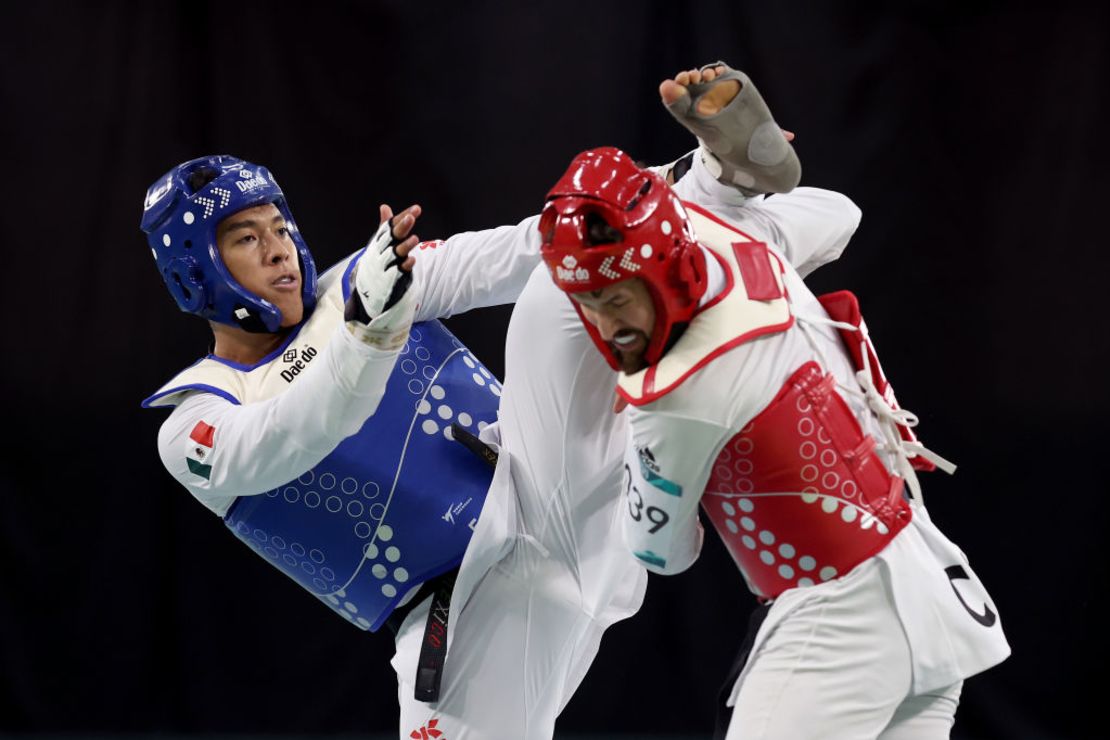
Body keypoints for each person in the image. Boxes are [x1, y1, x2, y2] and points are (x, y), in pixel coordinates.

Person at [141, 63, 859, 739]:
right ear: (195, 273)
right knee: (713, 242)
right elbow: (296, 434)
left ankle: (717, 183)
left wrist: (669, 174)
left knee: (561, 269)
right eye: (244, 238)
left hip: (551, 492)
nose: (277, 250)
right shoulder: (195, 420)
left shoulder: (367, 276)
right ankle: (733, 213)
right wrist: (369, 334)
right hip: (474, 611)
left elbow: (517, 250)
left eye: (277, 227)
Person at [539, 141, 1011, 737]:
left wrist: (635, 427)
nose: (607, 327)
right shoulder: (746, 246)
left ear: (660, 269)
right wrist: (741, 182)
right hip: (927, 591)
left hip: (839, 629)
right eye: (585, 302)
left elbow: (660, 552)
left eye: (615, 298)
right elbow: (842, 212)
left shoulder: (677, 396)